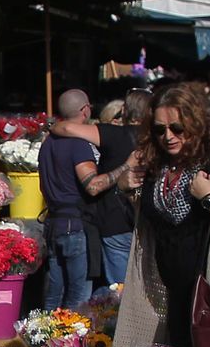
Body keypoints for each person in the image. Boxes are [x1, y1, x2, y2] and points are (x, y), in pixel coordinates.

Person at [111, 81, 210, 347]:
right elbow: (149, 217)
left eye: (177, 128)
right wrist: (125, 189)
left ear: (194, 124)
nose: (168, 136)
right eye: (160, 129)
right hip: (167, 287)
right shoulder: (156, 161)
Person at [53, 88, 150, 286]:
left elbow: (67, 128)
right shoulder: (158, 138)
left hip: (115, 220)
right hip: (148, 220)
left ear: (125, 111)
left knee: (118, 290)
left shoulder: (113, 134)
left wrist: (50, 126)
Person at [38, 89, 115, 308]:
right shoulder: (78, 143)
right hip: (75, 226)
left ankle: (44, 340)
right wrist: (123, 169)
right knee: (77, 297)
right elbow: (92, 185)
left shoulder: (47, 142)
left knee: (54, 294)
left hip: (53, 224)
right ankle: (70, 343)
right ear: (84, 110)